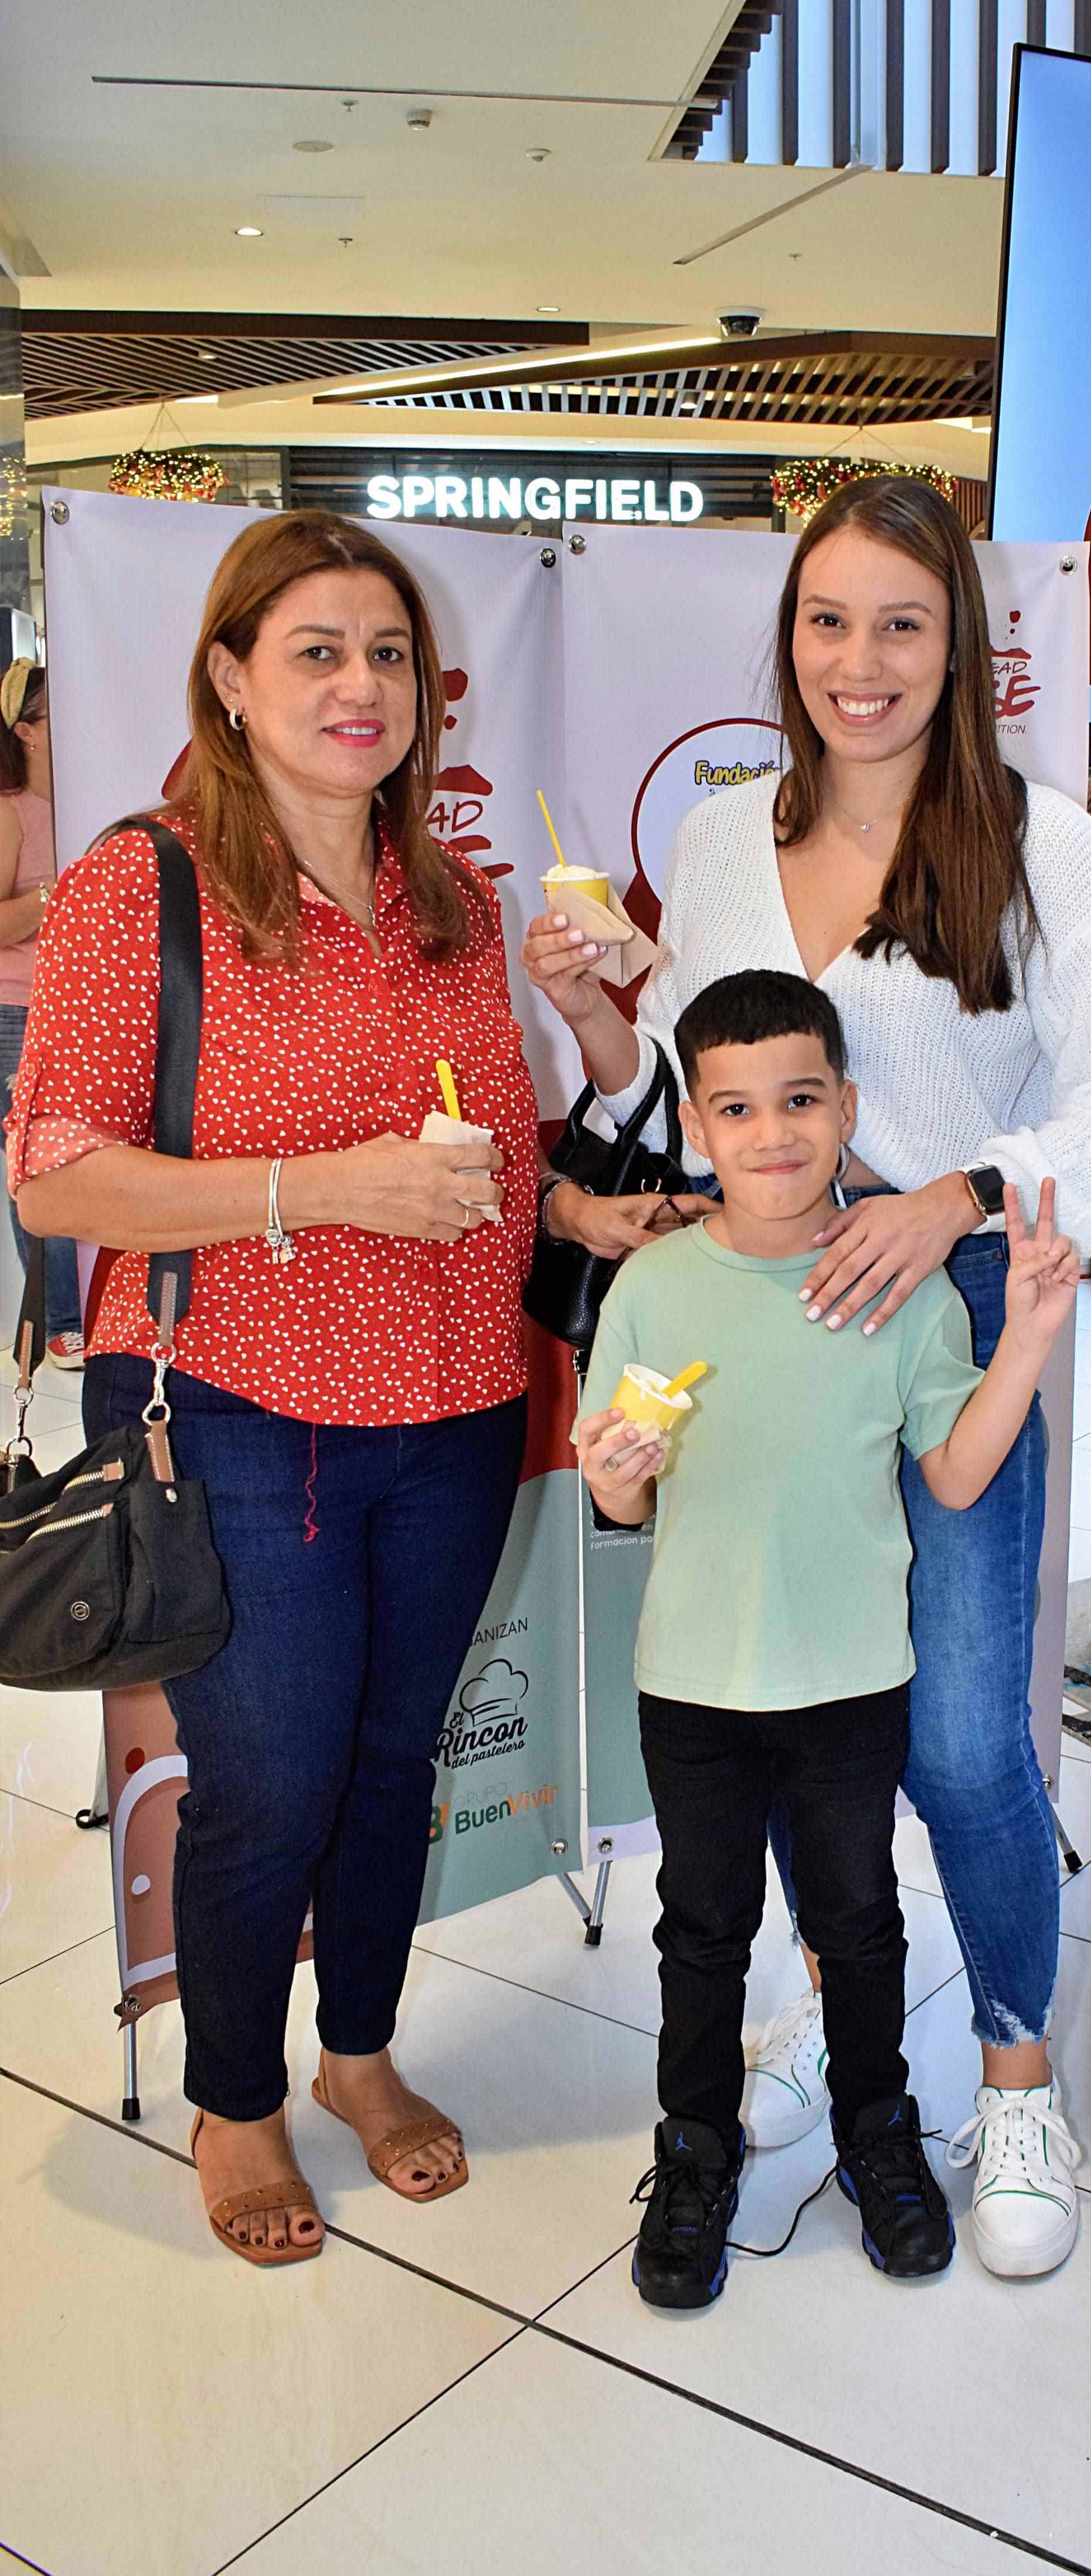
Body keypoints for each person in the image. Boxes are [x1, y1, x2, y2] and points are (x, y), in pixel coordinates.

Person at [526, 475, 1091, 2280]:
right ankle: (837, 2021)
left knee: (966, 1736)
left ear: (958, 644)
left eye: (902, 621)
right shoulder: (736, 839)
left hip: (955, 1297)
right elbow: (706, 1067)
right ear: (789, 640)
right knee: (799, 1709)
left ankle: (1019, 2070)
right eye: (829, 622)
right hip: (768, 1314)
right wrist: (601, 1024)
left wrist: (962, 1197)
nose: (861, 661)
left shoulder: (1044, 850)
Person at [9, 512, 537, 2268]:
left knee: (395, 1769)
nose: (359, 686)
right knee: (274, 1784)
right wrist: (321, 1186)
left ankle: (360, 2056)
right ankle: (241, 2104)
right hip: (238, 1411)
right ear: (230, 681)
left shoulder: (451, 899)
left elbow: (505, 1166)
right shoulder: (138, 886)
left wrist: (603, 1089)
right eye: (314, 650)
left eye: (385, 653)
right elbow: (56, 1178)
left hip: (456, 1412)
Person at [576, 969, 1080, 2309]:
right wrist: (620, 1467)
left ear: (846, 1105)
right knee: (702, 1929)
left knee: (858, 1926)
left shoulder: (902, 1289)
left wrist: (1028, 1332)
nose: (773, 1131)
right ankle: (692, 2155)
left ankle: (879, 2137)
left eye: (801, 1097)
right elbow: (616, 1488)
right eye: (735, 1106)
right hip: (692, 1684)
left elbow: (959, 1473)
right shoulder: (657, 1286)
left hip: (853, 1683)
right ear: (694, 1121)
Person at [0, 662, 85, 1365]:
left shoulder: (92, 798)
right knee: (36, 1164)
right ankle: (54, 1320)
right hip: (16, 1009)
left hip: (77, 1007)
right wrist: (58, 897)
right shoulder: (11, 809)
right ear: (25, 731)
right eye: (57, 717)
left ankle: (68, 1313)